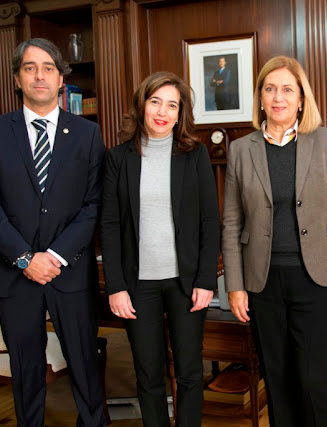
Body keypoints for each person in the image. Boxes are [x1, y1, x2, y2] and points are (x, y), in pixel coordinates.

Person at [222, 55, 327, 427]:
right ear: (260, 98)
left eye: (288, 89)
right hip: (263, 281)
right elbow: (232, 221)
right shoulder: (241, 150)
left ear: (302, 98)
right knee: (277, 378)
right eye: (270, 89)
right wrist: (235, 287)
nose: (278, 97)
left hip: (320, 279)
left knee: (314, 378)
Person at [0, 38, 106, 426]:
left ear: (61, 79)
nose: (39, 75)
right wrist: (26, 258)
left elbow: (93, 205)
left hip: (70, 272)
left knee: (84, 365)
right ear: (17, 78)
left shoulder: (87, 134)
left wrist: (55, 256)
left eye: (48, 67)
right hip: (15, 275)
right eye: (30, 68)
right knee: (26, 370)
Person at [101, 71, 220, 427]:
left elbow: (209, 221)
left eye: (172, 105)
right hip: (138, 285)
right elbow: (109, 225)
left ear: (180, 113)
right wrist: (117, 286)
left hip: (185, 283)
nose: (162, 112)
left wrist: (205, 280)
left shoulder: (194, 154)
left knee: (188, 372)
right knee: (148, 374)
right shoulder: (118, 158)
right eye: (155, 101)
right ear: (142, 104)